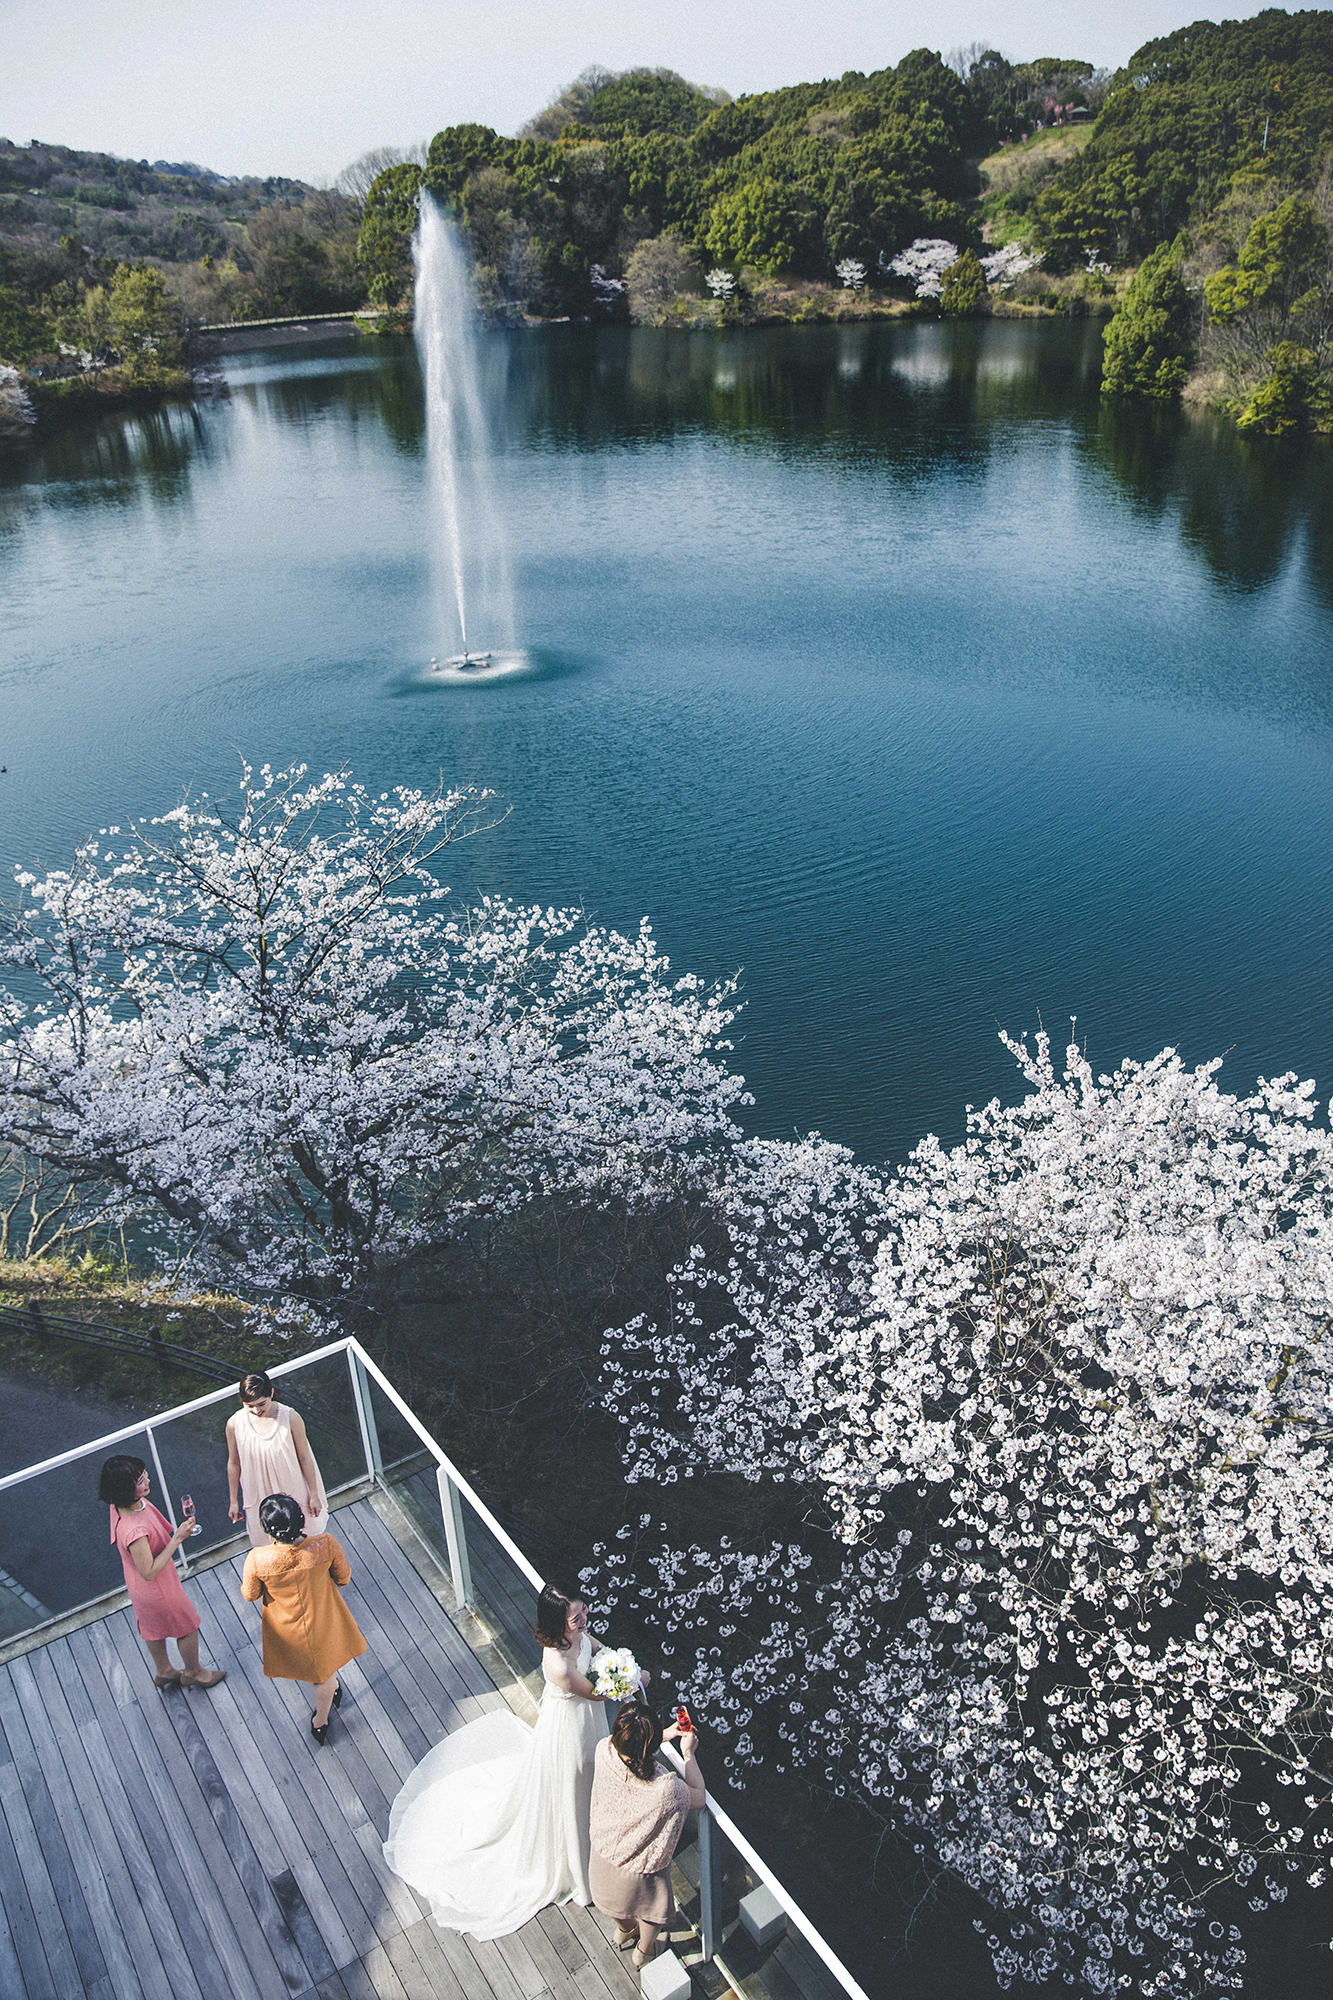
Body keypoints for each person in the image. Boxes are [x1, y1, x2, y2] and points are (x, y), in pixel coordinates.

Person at [384, 1579, 639, 1938]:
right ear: (556, 1623)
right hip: (570, 1729)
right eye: (574, 1616)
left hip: (587, 1720)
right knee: (576, 1779)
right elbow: (596, 1693)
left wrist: (618, 1663)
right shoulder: (558, 1666)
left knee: (588, 1778)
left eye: (583, 1610)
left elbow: (597, 1649)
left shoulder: (578, 1633)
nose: (583, 1619)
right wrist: (629, 1682)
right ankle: (581, 1859)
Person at [239, 1492, 366, 1743]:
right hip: (324, 1620)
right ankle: (322, 1716)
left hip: (288, 1630)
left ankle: (322, 1718)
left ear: (268, 1529)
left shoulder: (257, 1559)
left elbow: (249, 1594)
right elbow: (344, 1577)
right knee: (323, 1673)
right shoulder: (325, 1545)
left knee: (321, 1675)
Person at [589, 1703, 705, 1969]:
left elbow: (627, 1749)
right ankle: (645, 1950)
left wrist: (660, 1735)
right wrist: (688, 1754)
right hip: (637, 1875)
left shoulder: (604, 1749)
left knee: (617, 1907)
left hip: (600, 1861)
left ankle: (625, 1930)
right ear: (648, 1746)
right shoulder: (667, 1791)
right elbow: (698, 1797)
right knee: (651, 1911)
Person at [98, 1454, 226, 1691]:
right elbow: (149, 1571)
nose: (147, 1479)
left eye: (144, 1474)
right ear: (127, 1489)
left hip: (138, 1586)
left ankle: (165, 1671)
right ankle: (194, 1672)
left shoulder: (119, 1506)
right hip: (157, 1586)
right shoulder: (135, 1531)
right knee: (186, 1626)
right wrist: (177, 1538)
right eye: (140, 1480)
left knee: (151, 1627)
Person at [226, 1370, 328, 1548]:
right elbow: (234, 1463)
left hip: (292, 1489)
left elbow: (305, 1458)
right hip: (259, 1494)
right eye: (249, 1406)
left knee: (307, 1541)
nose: (256, 1410)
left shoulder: (290, 1417)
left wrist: (314, 1494)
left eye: (261, 1404)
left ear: (271, 1393)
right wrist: (234, 1501)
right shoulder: (234, 1424)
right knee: (268, 1546)